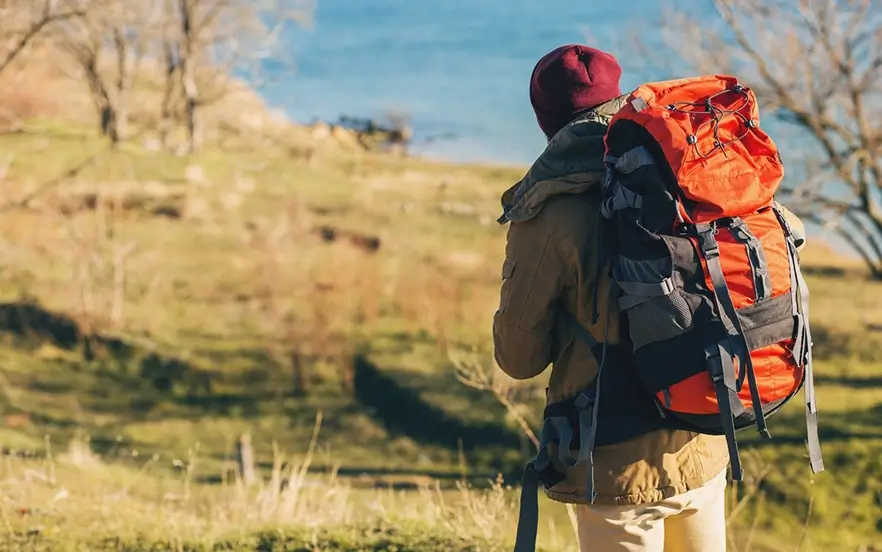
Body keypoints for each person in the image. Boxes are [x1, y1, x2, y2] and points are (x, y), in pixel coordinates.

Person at [492, 44, 807, 552]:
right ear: (617, 101)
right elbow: (787, 230)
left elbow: (518, 359)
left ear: (544, 119)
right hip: (704, 433)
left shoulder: (550, 214)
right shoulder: (683, 172)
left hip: (617, 463)